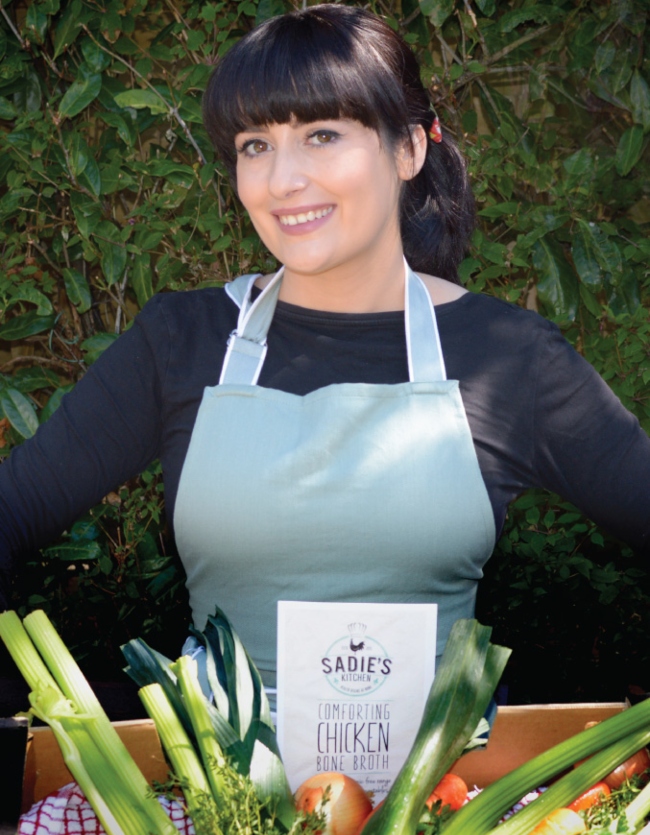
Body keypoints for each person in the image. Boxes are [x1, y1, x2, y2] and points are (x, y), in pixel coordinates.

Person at [0, 5, 649, 696]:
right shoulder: (181, 341)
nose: (282, 180)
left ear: (408, 150)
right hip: (219, 790)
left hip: (446, 798)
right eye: (256, 144)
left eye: (322, 135)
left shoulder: (511, 359)